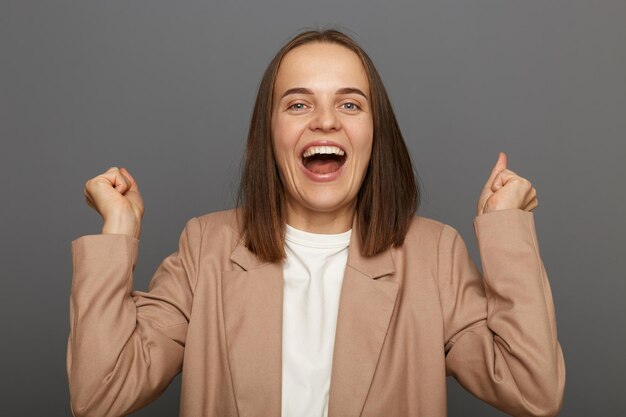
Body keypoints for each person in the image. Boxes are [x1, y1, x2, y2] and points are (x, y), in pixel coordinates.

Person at [68, 29, 565, 417]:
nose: (326, 121)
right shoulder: (207, 247)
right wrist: (118, 234)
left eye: (350, 104)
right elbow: (101, 393)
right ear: (270, 133)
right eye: (299, 103)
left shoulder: (434, 254)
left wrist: (505, 231)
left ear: (376, 134)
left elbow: (532, 390)